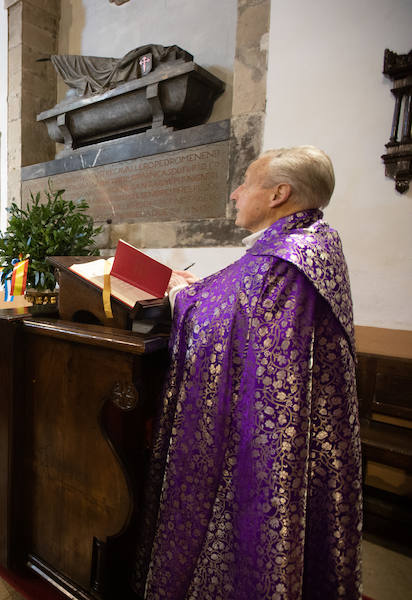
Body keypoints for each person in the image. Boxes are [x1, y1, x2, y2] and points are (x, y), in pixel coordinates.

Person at [133, 146, 361, 598]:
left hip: (275, 432)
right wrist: (199, 290)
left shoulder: (292, 254)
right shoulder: (308, 243)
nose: (236, 193)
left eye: (246, 183)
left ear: (279, 193)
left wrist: (183, 295)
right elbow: (244, 299)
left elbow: (227, 318)